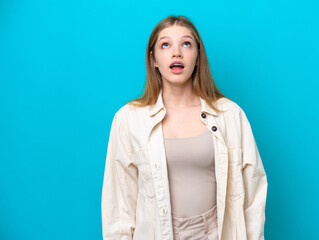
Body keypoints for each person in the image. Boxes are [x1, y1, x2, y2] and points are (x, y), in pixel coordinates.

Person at [101, 15, 268, 240]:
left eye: (186, 44)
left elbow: (253, 195)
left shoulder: (229, 115)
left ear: (198, 56)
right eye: (166, 44)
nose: (176, 52)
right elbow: (118, 206)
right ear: (154, 60)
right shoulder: (128, 119)